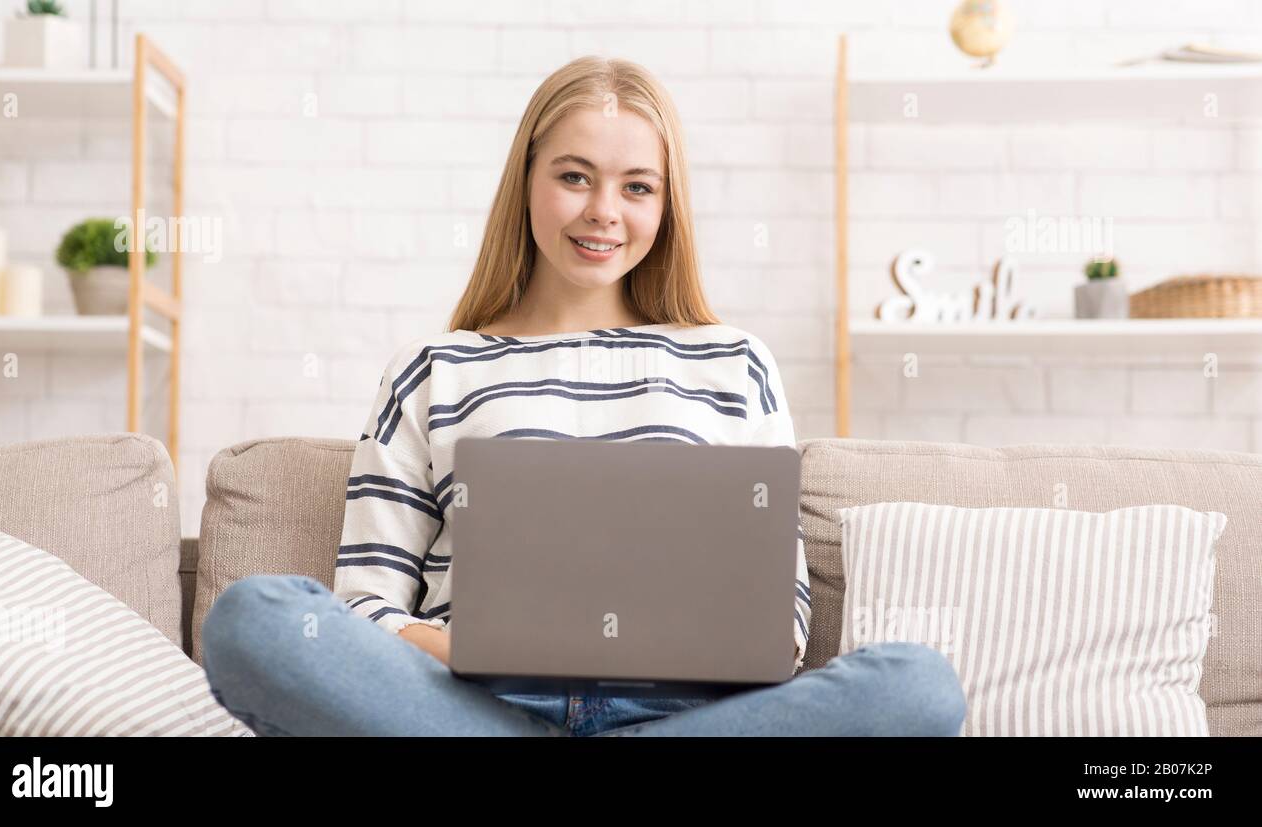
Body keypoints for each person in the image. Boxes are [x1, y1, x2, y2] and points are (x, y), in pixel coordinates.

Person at [201, 56, 967, 737]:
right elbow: (364, 611)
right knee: (254, 622)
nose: (605, 209)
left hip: (684, 717)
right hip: (470, 711)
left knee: (918, 686)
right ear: (527, 181)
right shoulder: (433, 369)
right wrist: (513, 652)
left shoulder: (734, 364)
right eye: (575, 176)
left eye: (637, 187)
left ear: (665, 208)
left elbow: (780, 624)